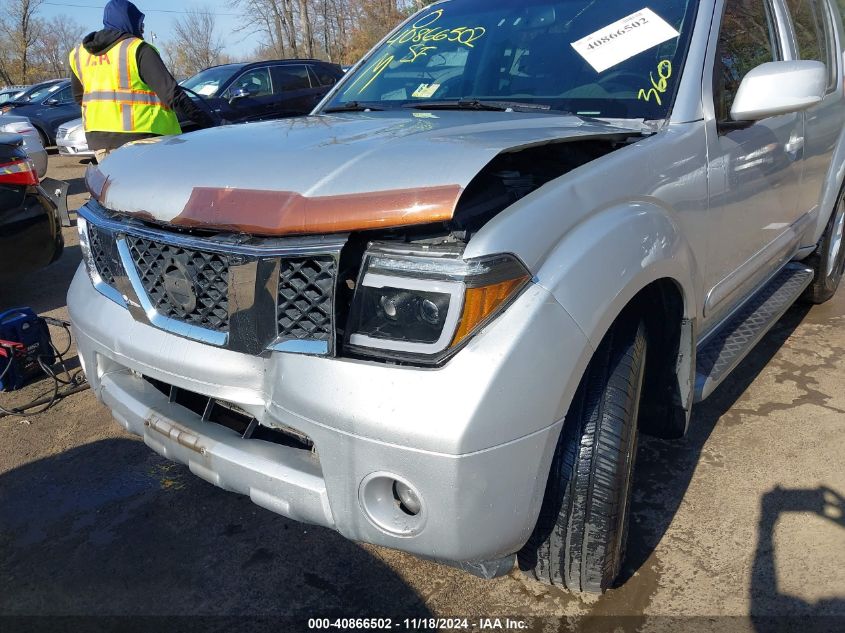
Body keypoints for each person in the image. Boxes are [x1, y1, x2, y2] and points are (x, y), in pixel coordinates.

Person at [69, 0, 214, 163]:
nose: (142, 30)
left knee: (116, 188)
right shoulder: (137, 49)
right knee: (156, 188)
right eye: (141, 25)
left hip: (100, 142)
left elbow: (79, 98)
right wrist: (208, 122)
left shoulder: (79, 54)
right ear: (129, 22)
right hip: (143, 140)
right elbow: (173, 95)